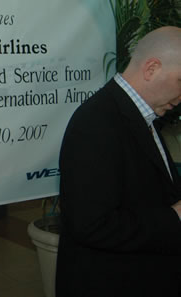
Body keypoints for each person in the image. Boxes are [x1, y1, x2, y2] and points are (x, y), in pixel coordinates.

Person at [56, 26, 181, 297]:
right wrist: (174, 217)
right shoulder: (96, 123)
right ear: (152, 69)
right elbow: (91, 225)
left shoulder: (141, 116)